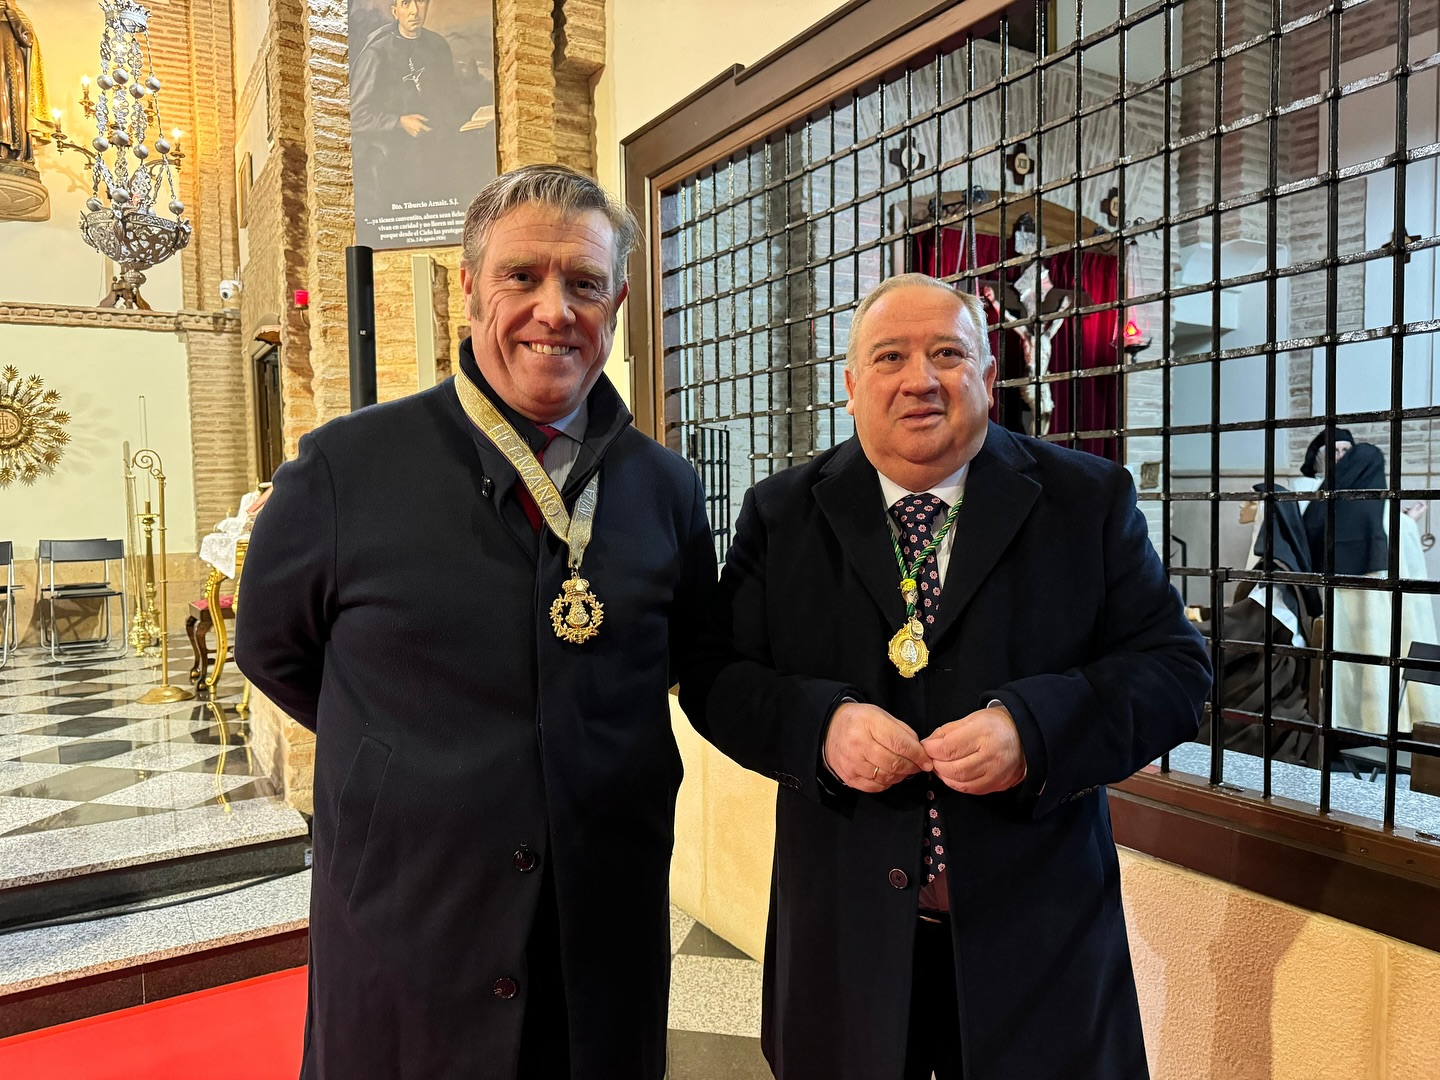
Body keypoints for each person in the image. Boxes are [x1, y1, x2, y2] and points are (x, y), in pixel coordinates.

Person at [237, 164, 717, 1079]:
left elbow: (682, 654)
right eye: (521, 276)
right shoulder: (345, 469)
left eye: (585, 283)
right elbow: (273, 648)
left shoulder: (665, 488)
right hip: (411, 921)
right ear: (468, 287)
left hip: (597, 929)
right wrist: (397, 758)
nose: (553, 310)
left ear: (617, 304)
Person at [682, 272, 1212, 1080]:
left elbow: (1175, 670)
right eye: (890, 357)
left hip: (1037, 941)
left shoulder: (1086, 501)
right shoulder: (783, 514)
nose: (920, 379)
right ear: (851, 386)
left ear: (989, 378)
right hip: (845, 939)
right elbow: (714, 674)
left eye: (948, 354)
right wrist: (820, 727)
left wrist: (1033, 730)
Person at [350, 0, 464, 207]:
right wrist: (399, 122)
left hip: (439, 149)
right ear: (395, 12)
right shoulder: (376, 54)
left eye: (420, 2)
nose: (414, 11)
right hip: (396, 157)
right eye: (405, 3)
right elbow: (356, 116)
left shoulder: (438, 46)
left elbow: (451, 97)